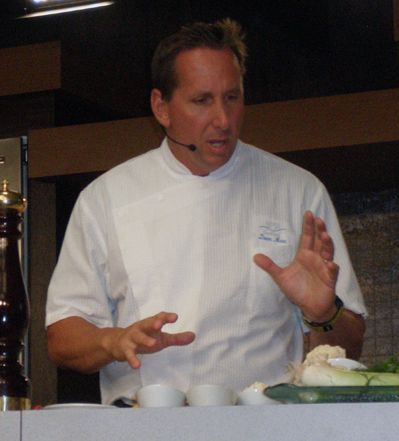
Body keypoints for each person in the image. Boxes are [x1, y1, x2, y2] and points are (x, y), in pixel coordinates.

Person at [45, 18, 367, 405]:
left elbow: (350, 346)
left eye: (232, 98)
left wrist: (322, 312)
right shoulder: (106, 198)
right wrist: (113, 340)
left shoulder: (297, 191)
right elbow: (62, 339)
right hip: (144, 429)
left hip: (265, 428)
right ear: (161, 107)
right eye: (202, 101)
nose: (223, 120)